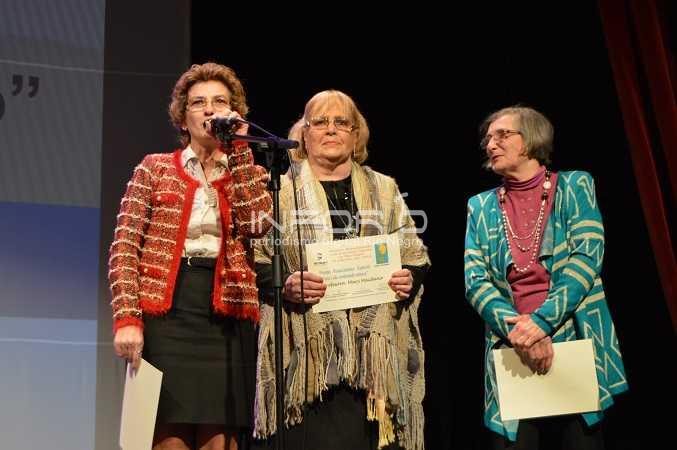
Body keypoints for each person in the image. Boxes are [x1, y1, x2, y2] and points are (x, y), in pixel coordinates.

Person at [250, 90, 430, 450]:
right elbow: (256, 259)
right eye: (320, 122)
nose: (331, 129)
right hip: (308, 356)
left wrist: (408, 277)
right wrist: (286, 284)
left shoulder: (384, 188)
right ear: (304, 134)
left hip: (374, 357)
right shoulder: (279, 191)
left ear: (355, 134)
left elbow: (415, 254)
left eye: (341, 122)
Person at [108, 62, 272, 450]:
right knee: (168, 438)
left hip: (227, 321)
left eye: (220, 102)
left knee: (220, 441)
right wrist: (127, 319)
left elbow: (257, 224)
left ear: (235, 114)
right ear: (183, 117)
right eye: (199, 102)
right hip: (168, 318)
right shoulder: (154, 169)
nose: (210, 109)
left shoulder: (248, 172)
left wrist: (240, 150)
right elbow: (124, 248)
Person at [464, 106, 628, 449]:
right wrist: (522, 333)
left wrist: (541, 323)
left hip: (574, 336)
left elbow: (587, 257)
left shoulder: (575, 185)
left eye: (502, 135)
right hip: (512, 346)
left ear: (530, 140)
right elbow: (475, 281)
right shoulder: (479, 206)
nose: (490, 144)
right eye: (488, 139)